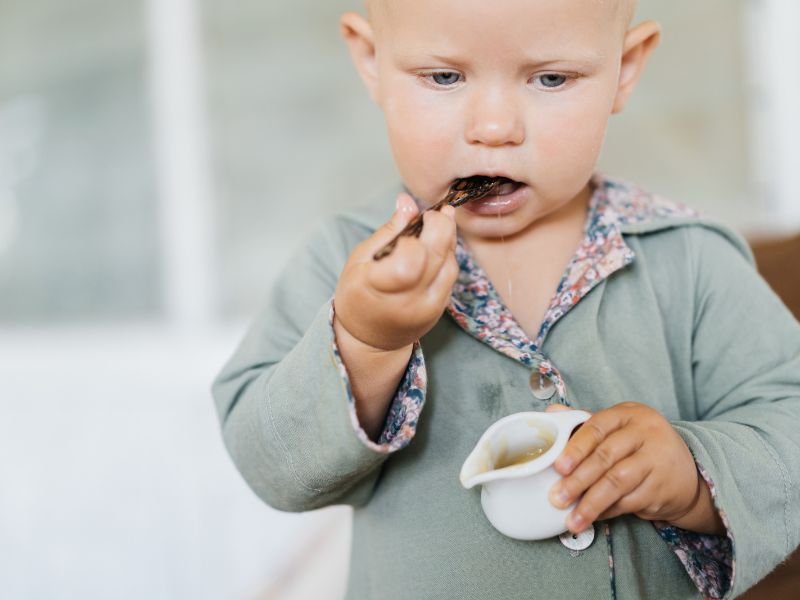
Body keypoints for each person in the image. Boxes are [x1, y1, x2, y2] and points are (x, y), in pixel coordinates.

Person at [212, 0, 800, 597]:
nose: (494, 128)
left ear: (624, 68)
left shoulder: (689, 259)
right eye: (444, 77)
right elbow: (270, 467)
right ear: (371, 61)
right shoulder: (345, 265)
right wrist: (365, 342)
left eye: (551, 78)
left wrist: (694, 475)